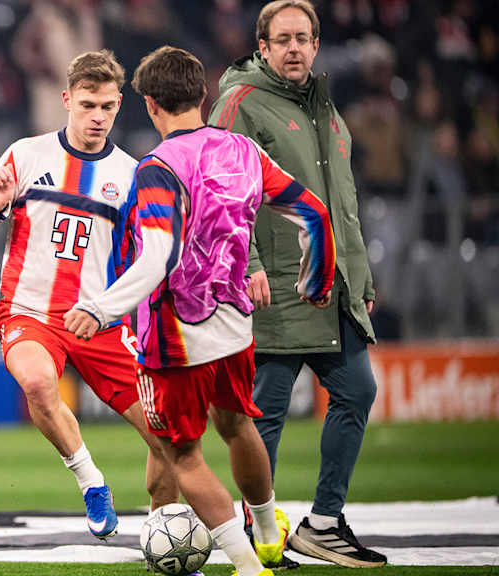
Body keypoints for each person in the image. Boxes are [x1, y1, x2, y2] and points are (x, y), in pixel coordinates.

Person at [65, 45, 335, 576]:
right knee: (239, 427)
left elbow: (159, 256)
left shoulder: (158, 169)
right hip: (236, 324)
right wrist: (316, 281)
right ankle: (266, 539)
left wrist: (100, 308)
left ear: (148, 104)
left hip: (176, 334)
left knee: (182, 454)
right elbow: (314, 213)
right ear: (204, 95)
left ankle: (248, 567)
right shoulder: (243, 151)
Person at [0, 49, 179, 541]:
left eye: (105, 106)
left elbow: (150, 255)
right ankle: (90, 479)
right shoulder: (25, 153)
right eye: (87, 105)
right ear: (66, 100)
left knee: (167, 437)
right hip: (29, 312)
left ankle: (164, 531)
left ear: (119, 105)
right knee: (39, 384)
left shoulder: (133, 174)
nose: (96, 116)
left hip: (102, 321)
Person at [209, 1, 388, 567]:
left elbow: (344, 207)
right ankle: (256, 533)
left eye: (303, 39)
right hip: (274, 288)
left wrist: (358, 278)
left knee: (357, 392)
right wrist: (252, 264)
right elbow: (222, 190)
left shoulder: (328, 113)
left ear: (316, 45)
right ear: (261, 47)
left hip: (331, 287)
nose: (293, 48)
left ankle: (324, 523)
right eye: (282, 39)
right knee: (266, 414)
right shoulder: (240, 103)